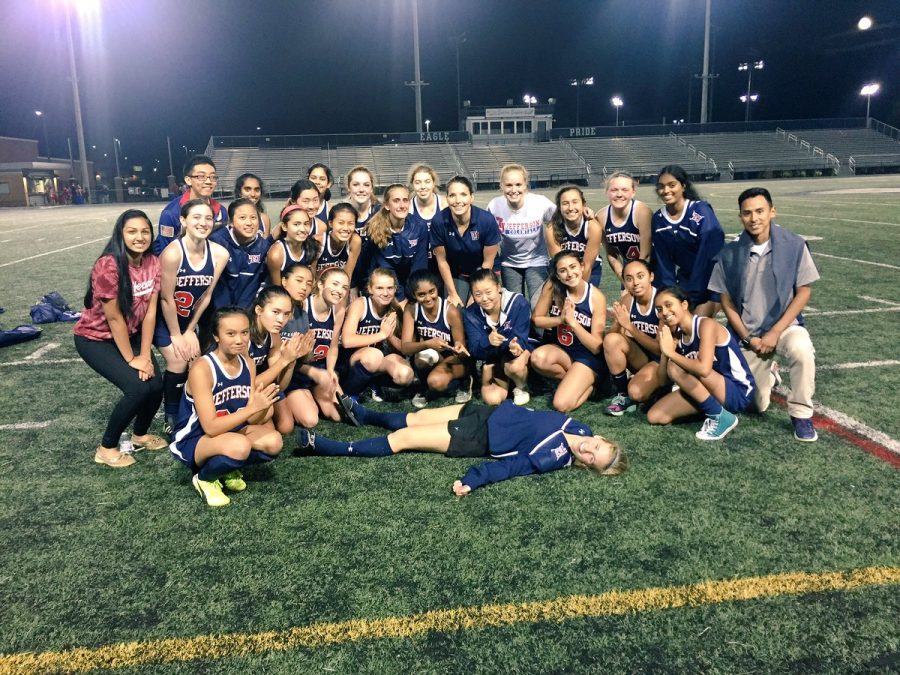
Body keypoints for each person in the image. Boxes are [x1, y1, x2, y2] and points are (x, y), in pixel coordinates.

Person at [301, 399, 627, 495]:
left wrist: (474, 478)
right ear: (600, 439)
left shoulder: (554, 458)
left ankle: (328, 447)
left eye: (591, 459)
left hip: (478, 437)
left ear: (586, 465)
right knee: (417, 417)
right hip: (487, 412)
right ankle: (365, 413)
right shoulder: (583, 428)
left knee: (405, 440)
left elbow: (510, 467)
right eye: (596, 448)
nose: (588, 450)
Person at [708, 187, 820, 441]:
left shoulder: (794, 244)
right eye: (747, 213)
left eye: (760, 211)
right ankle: (770, 374)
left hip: (784, 328)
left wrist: (776, 332)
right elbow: (725, 301)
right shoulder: (730, 253)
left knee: (802, 349)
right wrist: (747, 337)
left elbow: (803, 292)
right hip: (750, 334)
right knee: (755, 405)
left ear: (772, 211)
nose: (754, 218)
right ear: (740, 217)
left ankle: (801, 415)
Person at [73, 209, 166, 467]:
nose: (140, 237)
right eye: (132, 231)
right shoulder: (108, 265)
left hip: (131, 335)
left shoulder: (152, 262)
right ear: (121, 234)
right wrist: (132, 359)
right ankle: (106, 448)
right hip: (96, 339)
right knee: (137, 388)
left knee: (156, 385)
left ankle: (140, 434)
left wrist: (145, 354)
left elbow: (150, 313)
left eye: (145, 231)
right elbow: (114, 319)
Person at [169, 306, 283, 507]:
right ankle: (204, 478)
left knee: (274, 441)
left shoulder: (248, 362)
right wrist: (251, 409)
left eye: (244, 332)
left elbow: (253, 419)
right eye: (230, 334)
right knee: (241, 446)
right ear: (216, 336)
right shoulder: (202, 368)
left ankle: (226, 468)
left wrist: (262, 407)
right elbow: (211, 427)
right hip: (195, 438)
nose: (239, 340)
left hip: (230, 432)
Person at [154, 199, 229, 435]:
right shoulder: (172, 253)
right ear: (184, 221)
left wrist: (190, 331)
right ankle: (171, 416)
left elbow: (206, 296)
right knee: (178, 360)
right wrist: (177, 334)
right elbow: (166, 299)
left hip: (187, 322)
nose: (203, 223)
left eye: (208, 218)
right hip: (163, 321)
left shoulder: (220, 254)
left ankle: (190, 411)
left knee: (196, 363)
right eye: (196, 217)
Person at [647, 286, 755, 441]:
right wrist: (665, 352)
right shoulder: (678, 335)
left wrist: (671, 354)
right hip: (708, 390)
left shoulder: (706, 325)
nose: (664, 312)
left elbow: (704, 369)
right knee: (655, 416)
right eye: (659, 309)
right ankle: (713, 409)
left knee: (676, 366)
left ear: (684, 305)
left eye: (669, 305)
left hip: (737, 390)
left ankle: (720, 417)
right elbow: (663, 381)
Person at [531, 252, 607, 413]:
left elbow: (596, 347)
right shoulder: (552, 287)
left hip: (587, 357)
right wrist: (561, 320)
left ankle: (591, 387)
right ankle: (574, 380)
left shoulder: (595, 297)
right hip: (563, 351)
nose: (569, 273)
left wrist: (573, 323)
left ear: (582, 266)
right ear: (557, 275)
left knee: (560, 404)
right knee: (538, 358)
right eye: (563, 270)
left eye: (573, 267)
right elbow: (537, 319)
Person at [276, 267, 350, 432]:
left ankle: (315, 391)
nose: (339, 291)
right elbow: (287, 355)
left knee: (339, 415)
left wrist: (330, 370)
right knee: (310, 419)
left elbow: (332, 347)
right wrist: (313, 373)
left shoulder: (339, 311)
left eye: (344, 288)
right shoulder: (301, 306)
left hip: (319, 368)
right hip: (295, 371)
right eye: (335, 284)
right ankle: (293, 399)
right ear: (321, 285)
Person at [651, 165, 724, 317]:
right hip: (686, 280)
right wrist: (669, 295)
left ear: (683, 186)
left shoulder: (701, 211)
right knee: (669, 323)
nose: (666, 191)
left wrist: (694, 294)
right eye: (661, 186)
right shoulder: (658, 220)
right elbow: (663, 263)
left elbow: (709, 258)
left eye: (672, 185)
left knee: (695, 323)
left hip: (711, 282)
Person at [400, 270, 471, 409]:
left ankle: (464, 380)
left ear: (437, 288)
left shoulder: (450, 311)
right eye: (421, 294)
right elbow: (405, 347)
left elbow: (462, 353)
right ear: (414, 295)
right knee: (422, 358)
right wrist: (427, 343)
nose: (428, 298)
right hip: (433, 355)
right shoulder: (411, 309)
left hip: (453, 359)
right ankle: (423, 386)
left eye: (431, 291)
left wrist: (458, 347)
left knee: (436, 382)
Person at [340, 267, 414, 398]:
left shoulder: (395, 309)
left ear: (395, 289)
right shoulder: (360, 304)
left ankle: (375, 385)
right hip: (352, 360)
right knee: (374, 355)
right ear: (370, 289)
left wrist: (390, 336)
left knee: (405, 374)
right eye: (379, 288)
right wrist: (381, 335)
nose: (385, 293)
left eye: (390, 288)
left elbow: (404, 349)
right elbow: (347, 341)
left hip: (380, 359)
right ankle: (350, 392)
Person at [487, 164, 555, 304]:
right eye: (508, 185)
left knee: (538, 306)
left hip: (537, 261)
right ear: (501, 186)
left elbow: (562, 218)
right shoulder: (494, 206)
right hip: (509, 263)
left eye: (518, 184)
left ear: (525, 185)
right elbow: (485, 233)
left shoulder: (539, 202)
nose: (514, 190)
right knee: (514, 307)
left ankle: (537, 328)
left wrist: (585, 211)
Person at [463, 268, 533, 406]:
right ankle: (505, 379)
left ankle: (521, 386)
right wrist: (487, 340)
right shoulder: (470, 313)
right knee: (492, 399)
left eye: (488, 292)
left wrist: (516, 346)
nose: (484, 298)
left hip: (516, 354)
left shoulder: (518, 303)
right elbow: (474, 350)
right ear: (472, 294)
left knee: (513, 367)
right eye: (478, 294)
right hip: (493, 356)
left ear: (498, 287)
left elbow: (523, 338)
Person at [430, 176, 501, 307]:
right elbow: (442, 261)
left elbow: (488, 262)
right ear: (447, 199)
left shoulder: (486, 220)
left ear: (471, 197)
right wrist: (452, 293)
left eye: (463, 194)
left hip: (484, 270)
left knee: (482, 306)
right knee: (455, 309)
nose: (458, 201)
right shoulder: (439, 221)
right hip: (458, 272)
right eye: (452, 195)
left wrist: (477, 295)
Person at [603, 258, 660, 415]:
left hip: (664, 362)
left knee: (637, 392)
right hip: (642, 357)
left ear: (651, 276)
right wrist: (617, 322)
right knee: (611, 340)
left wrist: (629, 327)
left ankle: (662, 387)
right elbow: (612, 340)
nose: (635, 282)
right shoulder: (627, 300)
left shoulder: (662, 301)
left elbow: (661, 349)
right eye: (629, 279)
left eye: (640, 276)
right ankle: (622, 394)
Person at [362, 184, 428, 301]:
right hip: (384, 284)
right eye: (396, 201)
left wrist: (411, 297)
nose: (402, 205)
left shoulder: (419, 226)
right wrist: (401, 299)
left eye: (405, 200)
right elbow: (384, 268)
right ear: (387, 205)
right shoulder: (374, 228)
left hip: (410, 284)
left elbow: (419, 265)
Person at [155, 155, 227, 256]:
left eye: (213, 177)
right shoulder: (172, 213)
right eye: (201, 177)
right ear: (188, 180)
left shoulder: (221, 212)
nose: (208, 181)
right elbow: (164, 252)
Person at [210, 198, 272, 309]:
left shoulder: (263, 247)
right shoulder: (217, 242)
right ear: (231, 222)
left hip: (245, 311)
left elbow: (256, 286)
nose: (249, 223)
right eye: (242, 218)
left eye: (253, 218)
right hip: (217, 311)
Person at [545, 185, 604, 286]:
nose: (571, 208)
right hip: (562, 271)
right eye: (565, 203)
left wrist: (579, 292)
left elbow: (587, 266)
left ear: (583, 204)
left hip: (589, 270)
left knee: (586, 299)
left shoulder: (592, 227)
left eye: (575, 202)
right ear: (559, 207)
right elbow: (560, 265)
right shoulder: (551, 229)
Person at [602, 172, 653, 284]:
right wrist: (625, 281)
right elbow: (611, 255)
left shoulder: (642, 212)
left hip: (652, 270)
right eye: (614, 190)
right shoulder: (601, 217)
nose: (619, 194)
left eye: (625, 190)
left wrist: (637, 281)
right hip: (629, 272)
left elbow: (646, 254)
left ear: (633, 192)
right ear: (607, 192)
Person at [265, 205, 321, 286]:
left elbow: (311, 283)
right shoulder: (276, 254)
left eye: (306, 224)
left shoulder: (312, 246)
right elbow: (276, 290)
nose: (303, 229)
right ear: (284, 226)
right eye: (296, 224)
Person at [316, 203, 362, 282]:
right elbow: (311, 276)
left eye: (350, 223)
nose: (345, 228)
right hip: (317, 289)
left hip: (339, 288)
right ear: (331, 223)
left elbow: (347, 275)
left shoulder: (355, 241)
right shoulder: (318, 241)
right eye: (341, 223)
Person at [234, 173, 270, 238]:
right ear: (239, 192)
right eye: (247, 190)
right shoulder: (231, 216)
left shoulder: (264, 219)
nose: (253, 194)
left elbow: (265, 245)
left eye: (257, 190)